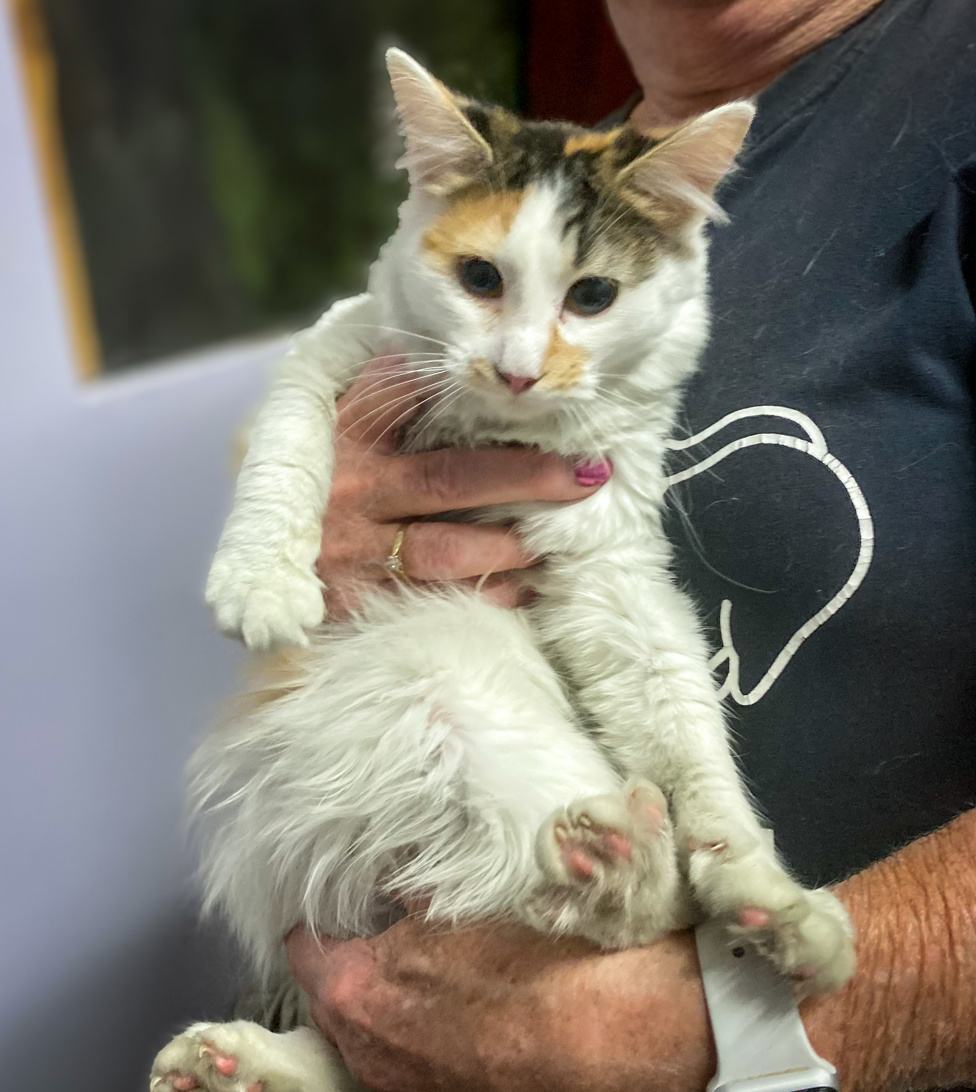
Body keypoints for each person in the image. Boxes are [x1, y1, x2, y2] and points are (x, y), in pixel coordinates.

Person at [283, 1, 976, 1088]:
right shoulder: (560, 169)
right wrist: (312, 523)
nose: (521, 359)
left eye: (592, 296)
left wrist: (734, 1035)